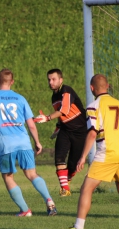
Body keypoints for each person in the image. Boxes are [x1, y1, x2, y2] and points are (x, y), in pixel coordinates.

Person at [59, 74, 119, 229]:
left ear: (91, 88)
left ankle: (78, 228)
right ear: (108, 86)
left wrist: (82, 157)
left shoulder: (93, 106)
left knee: (86, 189)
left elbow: (91, 133)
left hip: (107, 152)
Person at [0, 68, 57, 217]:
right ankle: (50, 201)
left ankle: (25, 210)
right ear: (12, 82)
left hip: (5, 145)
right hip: (24, 142)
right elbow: (31, 124)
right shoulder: (20, 98)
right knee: (32, 174)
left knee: (8, 177)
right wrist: (38, 142)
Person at [34, 68, 87, 197]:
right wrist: (58, 127)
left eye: (54, 79)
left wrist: (47, 118)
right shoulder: (54, 96)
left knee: (73, 165)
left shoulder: (66, 91)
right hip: (65, 130)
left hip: (80, 131)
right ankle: (65, 189)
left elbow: (64, 111)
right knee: (59, 157)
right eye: (49, 79)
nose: (51, 82)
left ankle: (67, 180)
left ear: (61, 80)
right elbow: (61, 116)